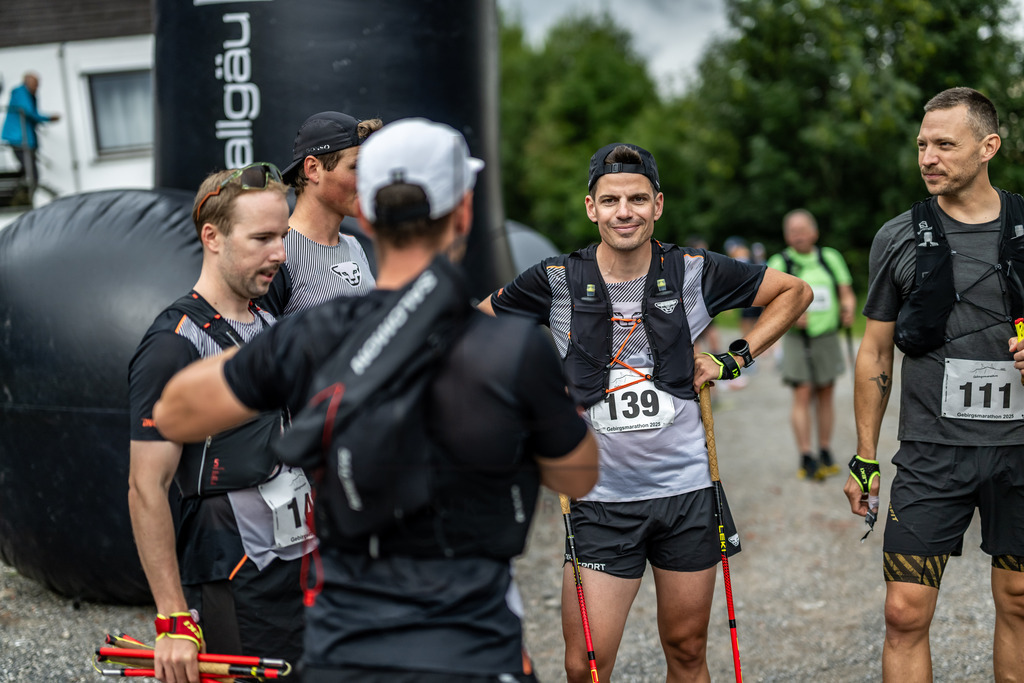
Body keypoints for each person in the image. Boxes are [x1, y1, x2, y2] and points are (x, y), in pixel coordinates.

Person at [150, 117, 600, 682]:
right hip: (471, 649)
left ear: (365, 214)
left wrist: (288, 368)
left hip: (348, 653)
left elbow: (173, 412)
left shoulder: (314, 337)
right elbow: (580, 476)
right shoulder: (513, 350)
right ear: (464, 213)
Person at [479, 142, 812, 682]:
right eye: (611, 200)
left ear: (658, 204)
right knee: (586, 664)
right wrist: (531, 386)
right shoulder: (556, 278)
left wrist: (732, 360)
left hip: (686, 493)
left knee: (687, 651)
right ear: (591, 208)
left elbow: (794, 292)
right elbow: (477, 327)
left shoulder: (693, 271)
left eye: (637, 199)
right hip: (600, 500)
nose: (624, 212)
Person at [845, 87, 1024, 681]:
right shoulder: (898, 236)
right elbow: (875, 351)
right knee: (903, 612)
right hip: (931, 453)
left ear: (988, 146)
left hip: (1020, 450)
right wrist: (865, 456)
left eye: (945, 144)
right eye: (922, 144)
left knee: (1020, 602)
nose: (928, 157)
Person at [128, 162, 308, 683]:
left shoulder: (269, 323)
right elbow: (146, 486)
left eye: (283, 235)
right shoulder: (172, 343)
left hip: (300, 566)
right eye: (262, 238)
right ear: (213, 237)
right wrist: (173, 618)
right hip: (235, 572)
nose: (280, 253)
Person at [258, 111, 383, 317]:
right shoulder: (276, 254)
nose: (368, 180)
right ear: (313, 169)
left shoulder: (354, 246)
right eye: (356, 167)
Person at [767, 209, 856, 480]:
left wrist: (848, 308)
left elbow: (846, 292)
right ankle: (806, 455)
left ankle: (825, 449)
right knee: (803, 392)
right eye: (792, 231)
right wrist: (791, 315)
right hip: (796, 338)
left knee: (826, 391)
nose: (798, 236)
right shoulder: (780, 262)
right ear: (786, 236)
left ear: (814, 232)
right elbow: (767, 302)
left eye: (802, 230)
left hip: (826, 335)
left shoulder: (829, 258)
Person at [1, 71, 60, 189]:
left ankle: (18, 189)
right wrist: (48, 118)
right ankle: (17, 190)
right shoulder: (21, 93)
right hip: (19, 138)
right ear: (27, 82)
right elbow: (29, 112)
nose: (37, 87)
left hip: (24, 138)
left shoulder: (28, 94)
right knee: (31, 172)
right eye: (35, 84)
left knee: (27, 169)